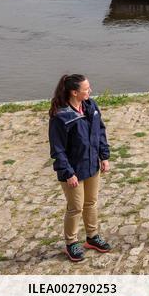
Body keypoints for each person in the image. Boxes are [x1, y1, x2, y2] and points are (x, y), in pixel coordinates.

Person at [48, 74, 112, 263]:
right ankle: (71, 243)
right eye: (86, 89)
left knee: (91, 203)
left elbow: (100, 131)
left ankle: (92, 237)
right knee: (75, 207)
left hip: (92, 165)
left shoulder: (91, 106)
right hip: (73, 172)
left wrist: (104, 156)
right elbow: (57, 149)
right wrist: (68, 173)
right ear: (75, 92)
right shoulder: (61, 116)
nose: (90, 91)